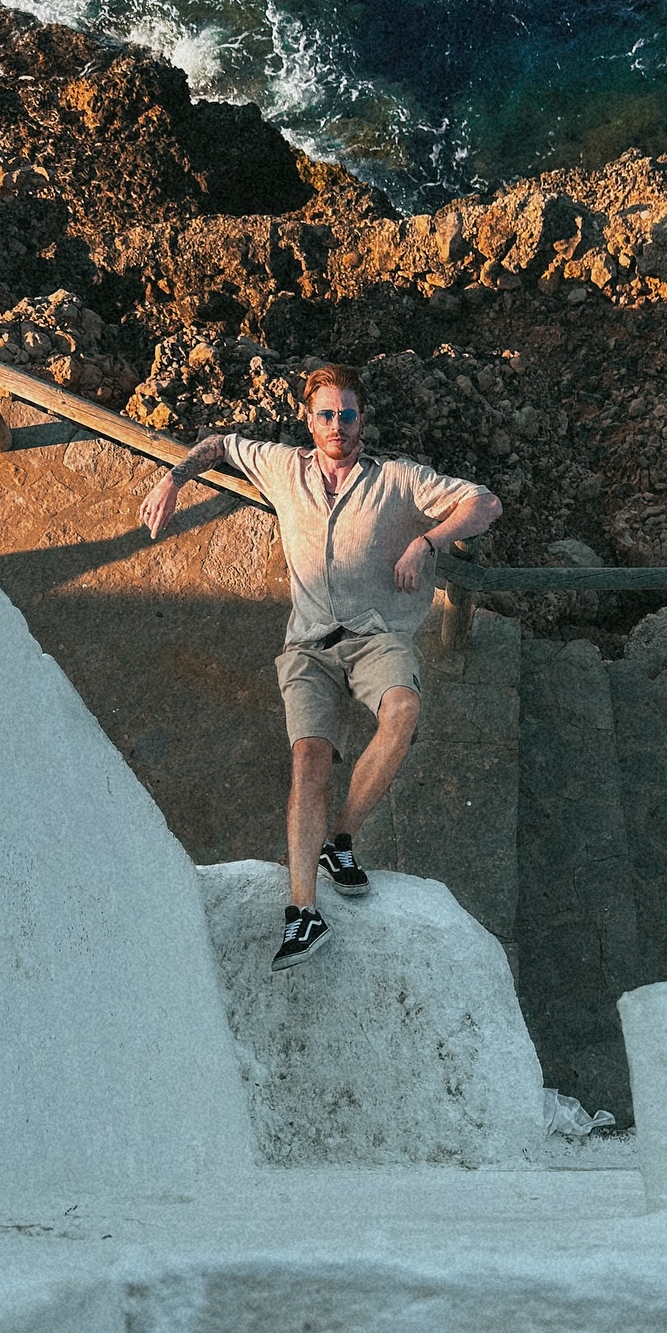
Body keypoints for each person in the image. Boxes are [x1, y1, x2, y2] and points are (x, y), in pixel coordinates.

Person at [140, 362, 502, 971]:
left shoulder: (397, 479)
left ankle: (340, 837)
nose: (338, 425)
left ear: (363, 419)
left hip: (375, 635)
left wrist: (425, 542)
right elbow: (220, 443)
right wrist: (173, 480)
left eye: (348, 413)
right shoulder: (285, 468)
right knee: (309, 759)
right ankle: (303, 913)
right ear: (309, 421)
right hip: (307, 645)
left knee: (404, 710)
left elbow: (486, 503)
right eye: (326, 414)